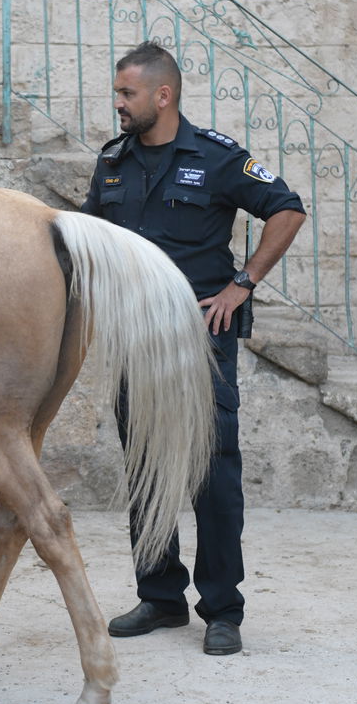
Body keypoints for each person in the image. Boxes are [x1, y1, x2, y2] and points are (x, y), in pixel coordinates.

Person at [80, 40, 306, 656]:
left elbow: (286, 208)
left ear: (163, 94)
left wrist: (242, 284)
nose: (118, 103)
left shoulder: (217, 158)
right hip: (135, 338)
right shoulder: (113, 162)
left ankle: (222, 610)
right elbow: (90, 235)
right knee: (148, 468)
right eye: (117, 92)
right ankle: (159, 598)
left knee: (212, 474)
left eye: (127, 93)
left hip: (201, 339)